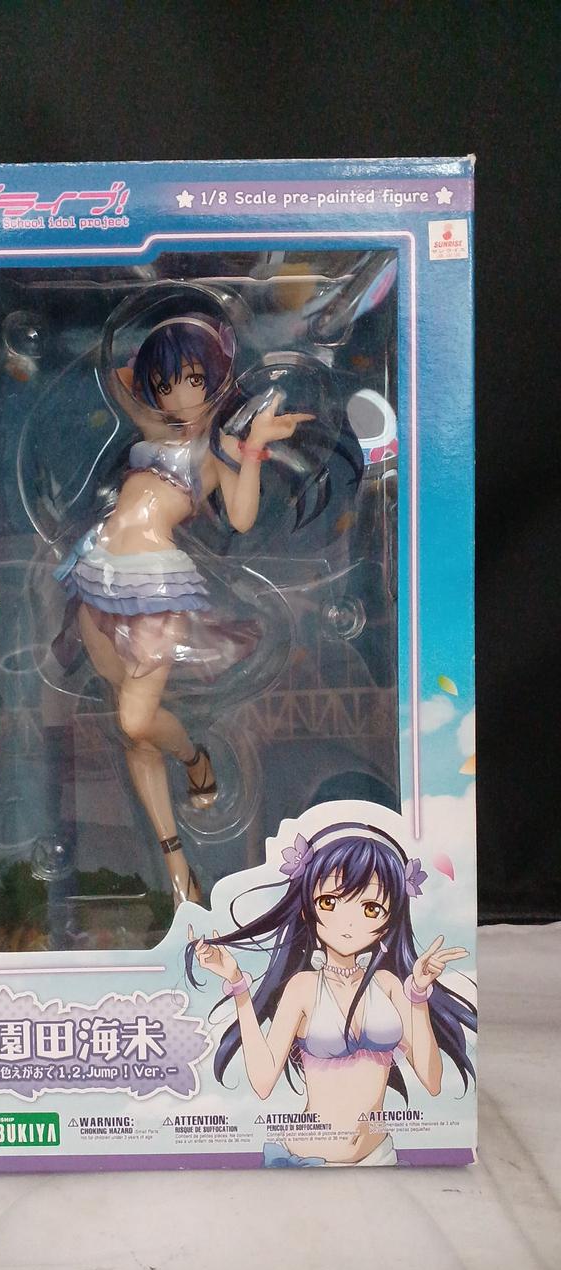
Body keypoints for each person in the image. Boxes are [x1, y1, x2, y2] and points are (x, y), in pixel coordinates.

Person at [54, 314, 314, 906]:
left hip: (155, 585)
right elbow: (119, 380)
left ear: (216, 382)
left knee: (136, 721)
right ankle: (178, 872)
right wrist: (159, 345)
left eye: (194, 381)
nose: (179, 397)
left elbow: (241, 518)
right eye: (166, 384)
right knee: (132, 734)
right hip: (98, 575)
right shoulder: (154, 427)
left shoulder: (217, 452)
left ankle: (196, 759)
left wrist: (252, 443)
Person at [187, 822, 476, 1165]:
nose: (348, 923)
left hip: (378, 1157)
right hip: (307, 1159)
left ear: (389, 918)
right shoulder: (303, 988)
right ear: (307, 909)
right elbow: (263, 1082)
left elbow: (431, 1080)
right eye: (330, 902)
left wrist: (418, 994)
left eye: (370, 908)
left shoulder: (389, 986)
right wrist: (238, 986)